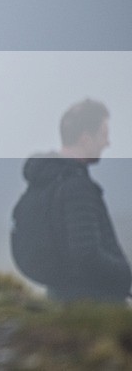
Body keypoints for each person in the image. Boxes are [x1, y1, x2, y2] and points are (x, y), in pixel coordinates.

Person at [21, 98, 130, 303]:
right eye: (103, 135)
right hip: (91, 306)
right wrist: (125, 275)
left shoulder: (46, 181)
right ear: (85, 138)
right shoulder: (76, 187)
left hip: (59, 298)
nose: (107, 143)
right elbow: (86, 253)